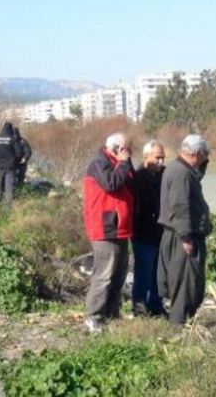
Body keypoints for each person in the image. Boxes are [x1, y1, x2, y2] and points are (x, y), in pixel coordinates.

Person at [157, 134, 212, 325]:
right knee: (185, 286)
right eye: (205, 154)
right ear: (196, 153)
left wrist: (203, 163)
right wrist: (186, 238)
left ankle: (181, 325)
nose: (207, 157)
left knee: (187, 284)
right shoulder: (182, 173)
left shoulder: (179, 168)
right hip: (182, 238)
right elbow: (180, 207)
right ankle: (178, 330)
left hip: (177, 236)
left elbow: (196, 178)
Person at [83, 132, 135, 332]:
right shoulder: (99, 163)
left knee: (119, 273)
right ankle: (93, 316)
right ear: (116, 148)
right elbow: (111, 184)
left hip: (120, 228)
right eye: (126, 149)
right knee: (104, 274)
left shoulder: (120, 163)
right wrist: (122, 164)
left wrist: (126, 164)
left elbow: (130, 185)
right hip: (104, 227)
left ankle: (112, 312)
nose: (129, 153)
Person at [131, 140, 166, 316]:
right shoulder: (138, 177)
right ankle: (139, 310)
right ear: (146, 157)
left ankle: (156, 306)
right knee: (143, 274)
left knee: (158, 275)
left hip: (159, 233)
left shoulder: (162, 175)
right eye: (157, 158)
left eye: (163, 158)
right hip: (142, 233)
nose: (161, 162)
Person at [0, 122, 23, 205]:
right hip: (10, 166)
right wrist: (15, 159)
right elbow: (19, 153)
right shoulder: (13, 138)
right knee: (9, 187)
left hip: (0, 166)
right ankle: (8, 207)